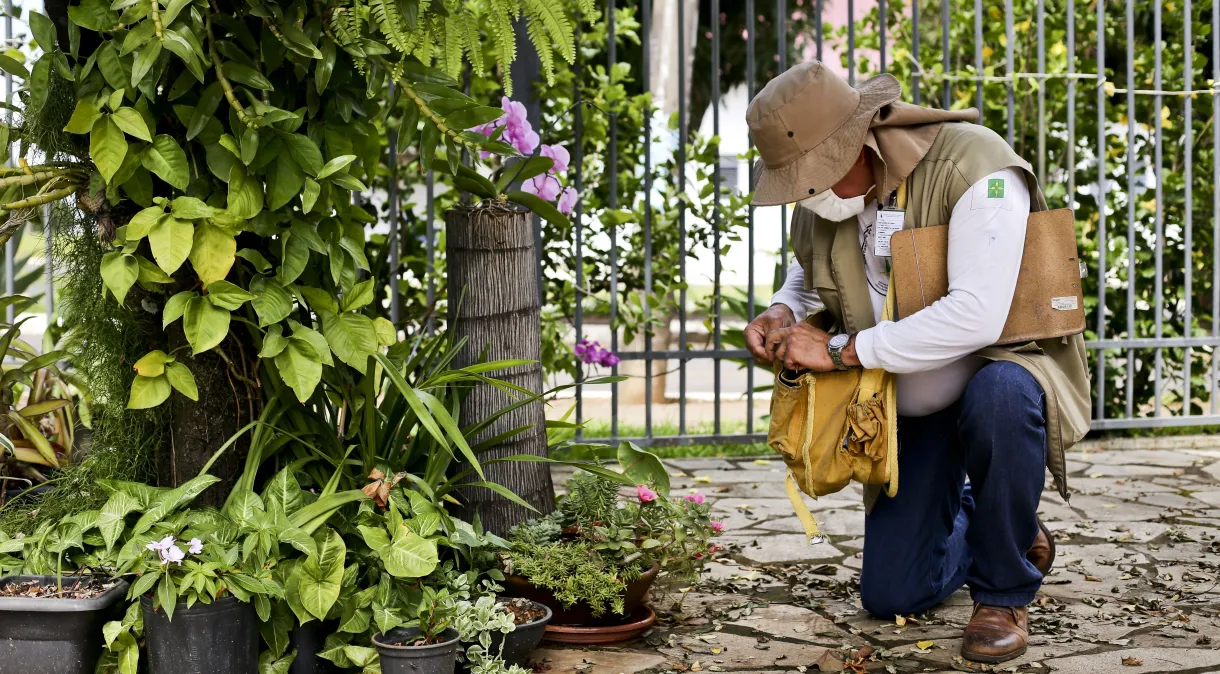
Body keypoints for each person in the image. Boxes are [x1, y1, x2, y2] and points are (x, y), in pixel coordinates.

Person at [743, 61, 1091, 664]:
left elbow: (976, 315)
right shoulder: (824, 199)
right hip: (908, 399)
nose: (807, 192)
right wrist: (782, 308)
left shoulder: (975, 166)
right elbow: (808, 265)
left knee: (1002, 397)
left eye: (813, 177)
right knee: (892, 593)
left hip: (996, 372)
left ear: (858, 141)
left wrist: (836, 351)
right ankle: (999, 521)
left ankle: (1003, 592)